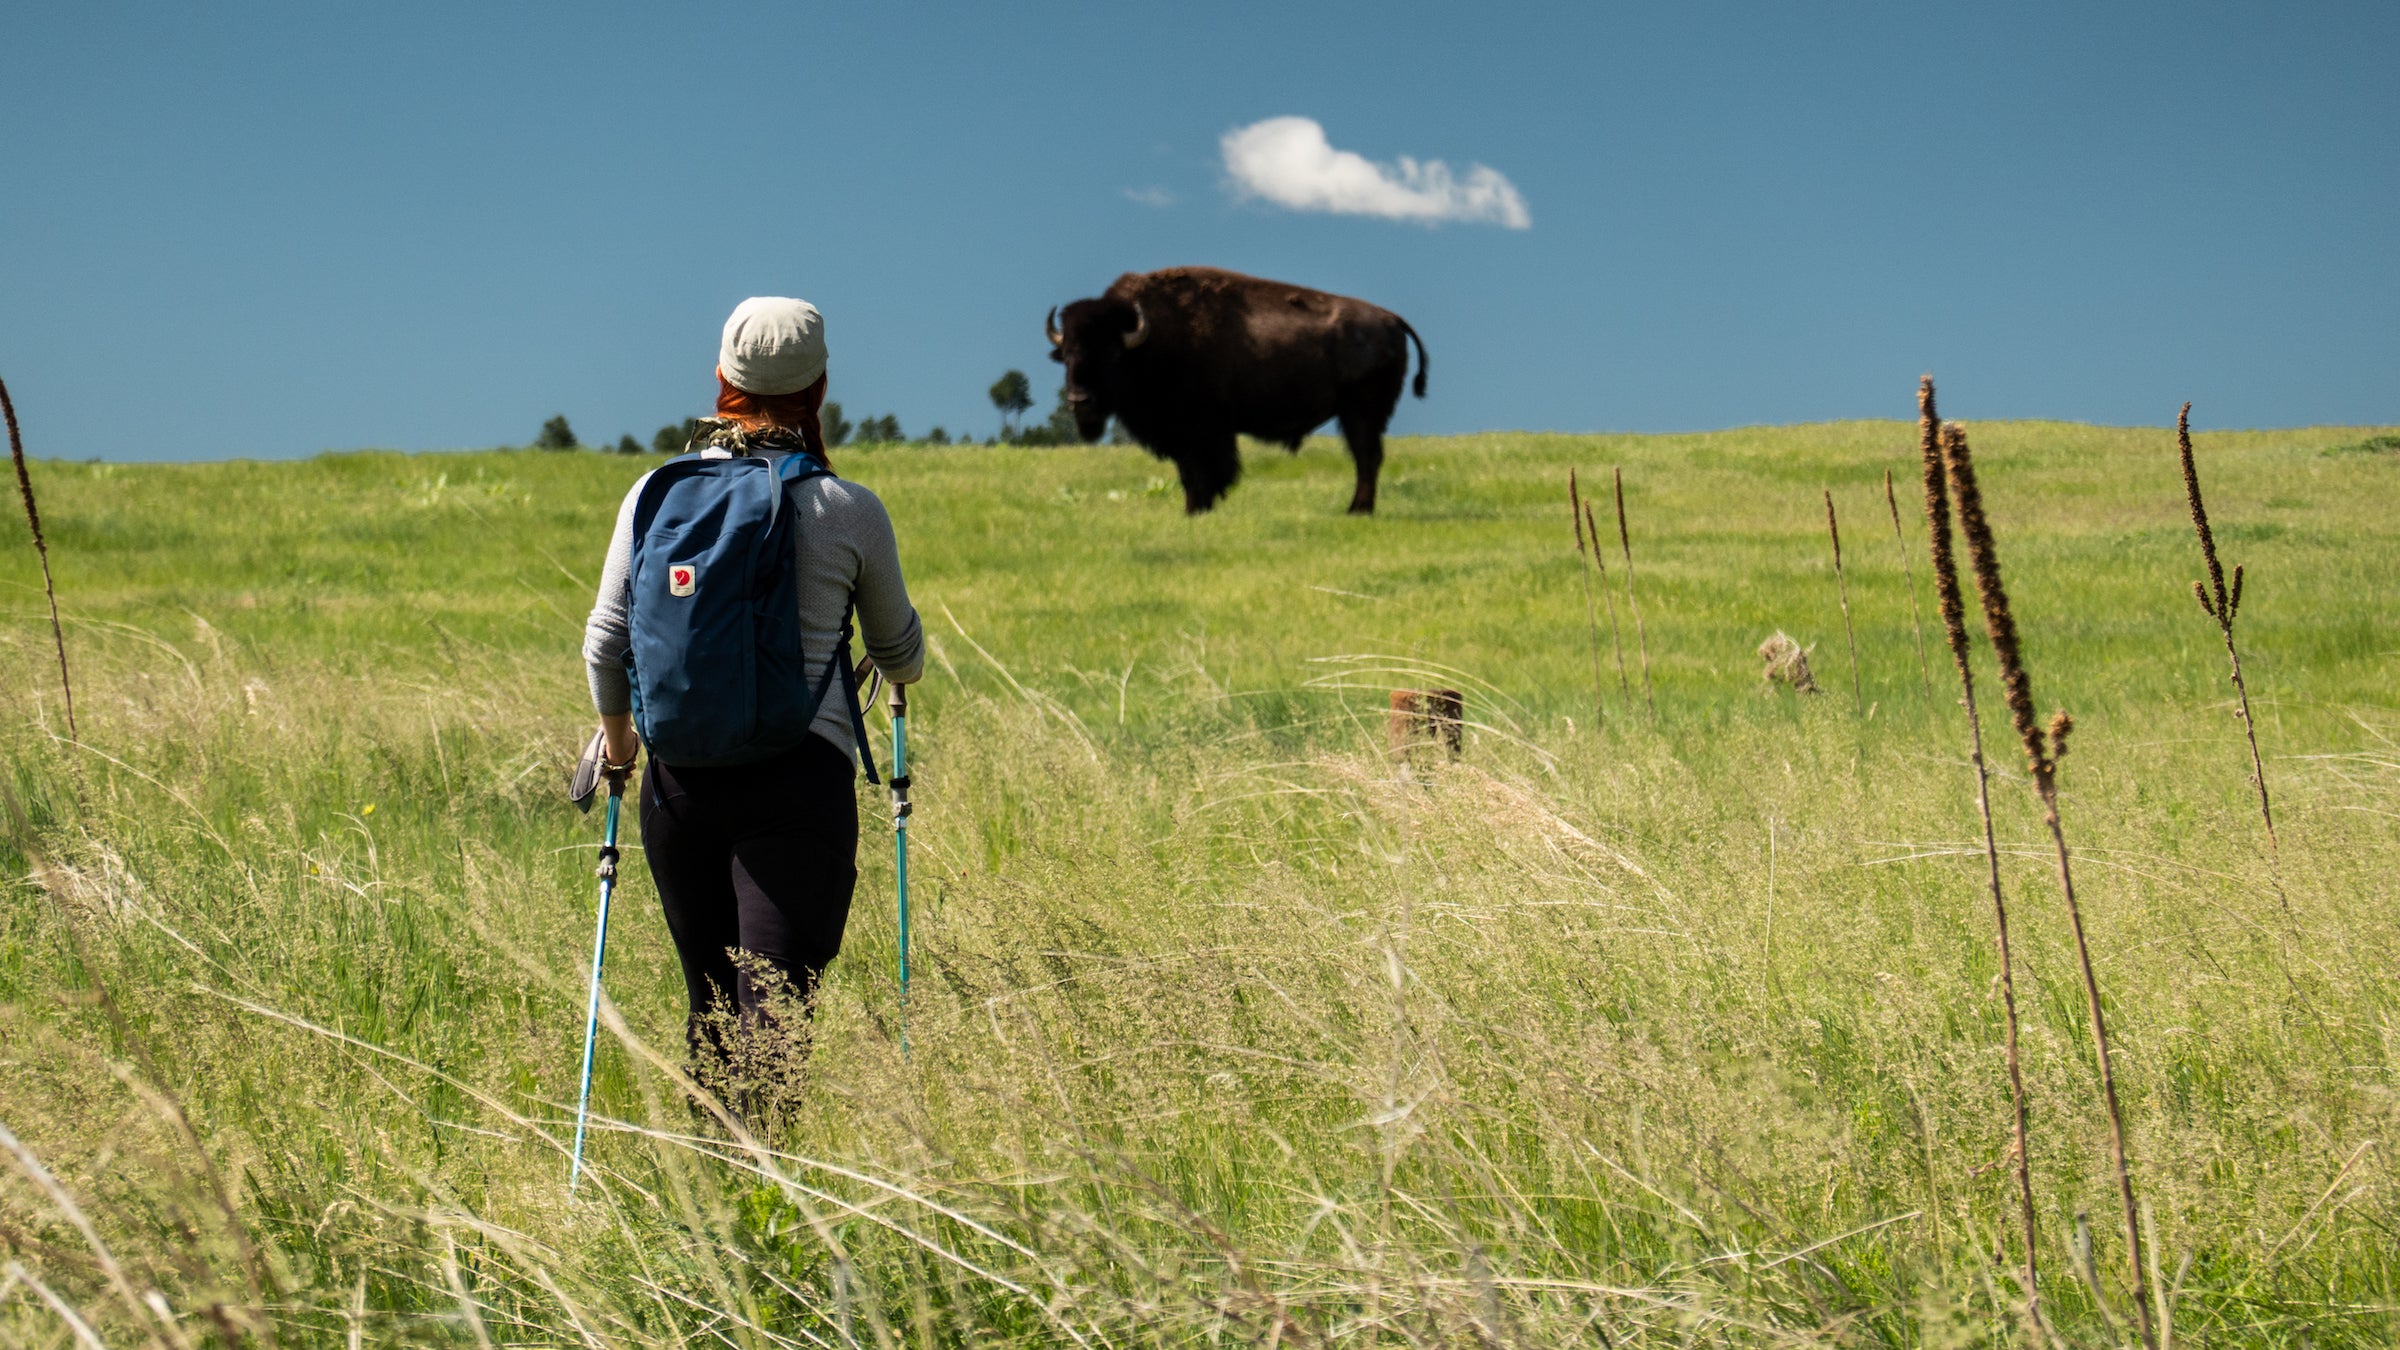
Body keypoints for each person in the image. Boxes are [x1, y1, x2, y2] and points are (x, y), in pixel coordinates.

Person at [581, 296, 923, 1075]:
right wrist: (894, 662)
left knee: (711, 1016)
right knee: (773, 1027)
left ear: (720, 377)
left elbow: (604, 642)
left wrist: (621, 743)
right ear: (820, 386)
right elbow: (899, 651)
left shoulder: (654, 495)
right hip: (799, 783)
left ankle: (706, 1191)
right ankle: (758, 1193)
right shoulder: (847, 509)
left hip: (679, 785)